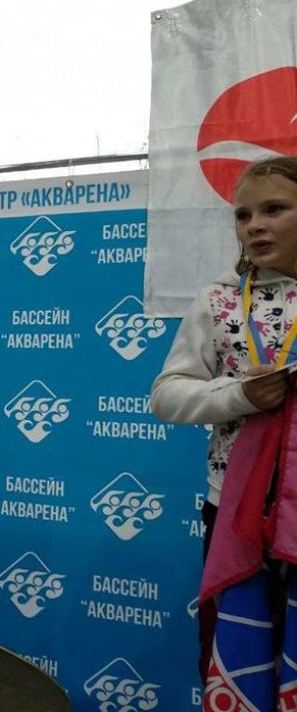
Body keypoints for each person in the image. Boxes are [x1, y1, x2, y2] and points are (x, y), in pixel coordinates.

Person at [151, 156, 297, 682]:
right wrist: (240, 395)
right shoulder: (219, 300)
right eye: (243, 214)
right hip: (235, 510)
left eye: (274, 209)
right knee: (240, 659)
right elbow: (167, 395)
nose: (255, 225)